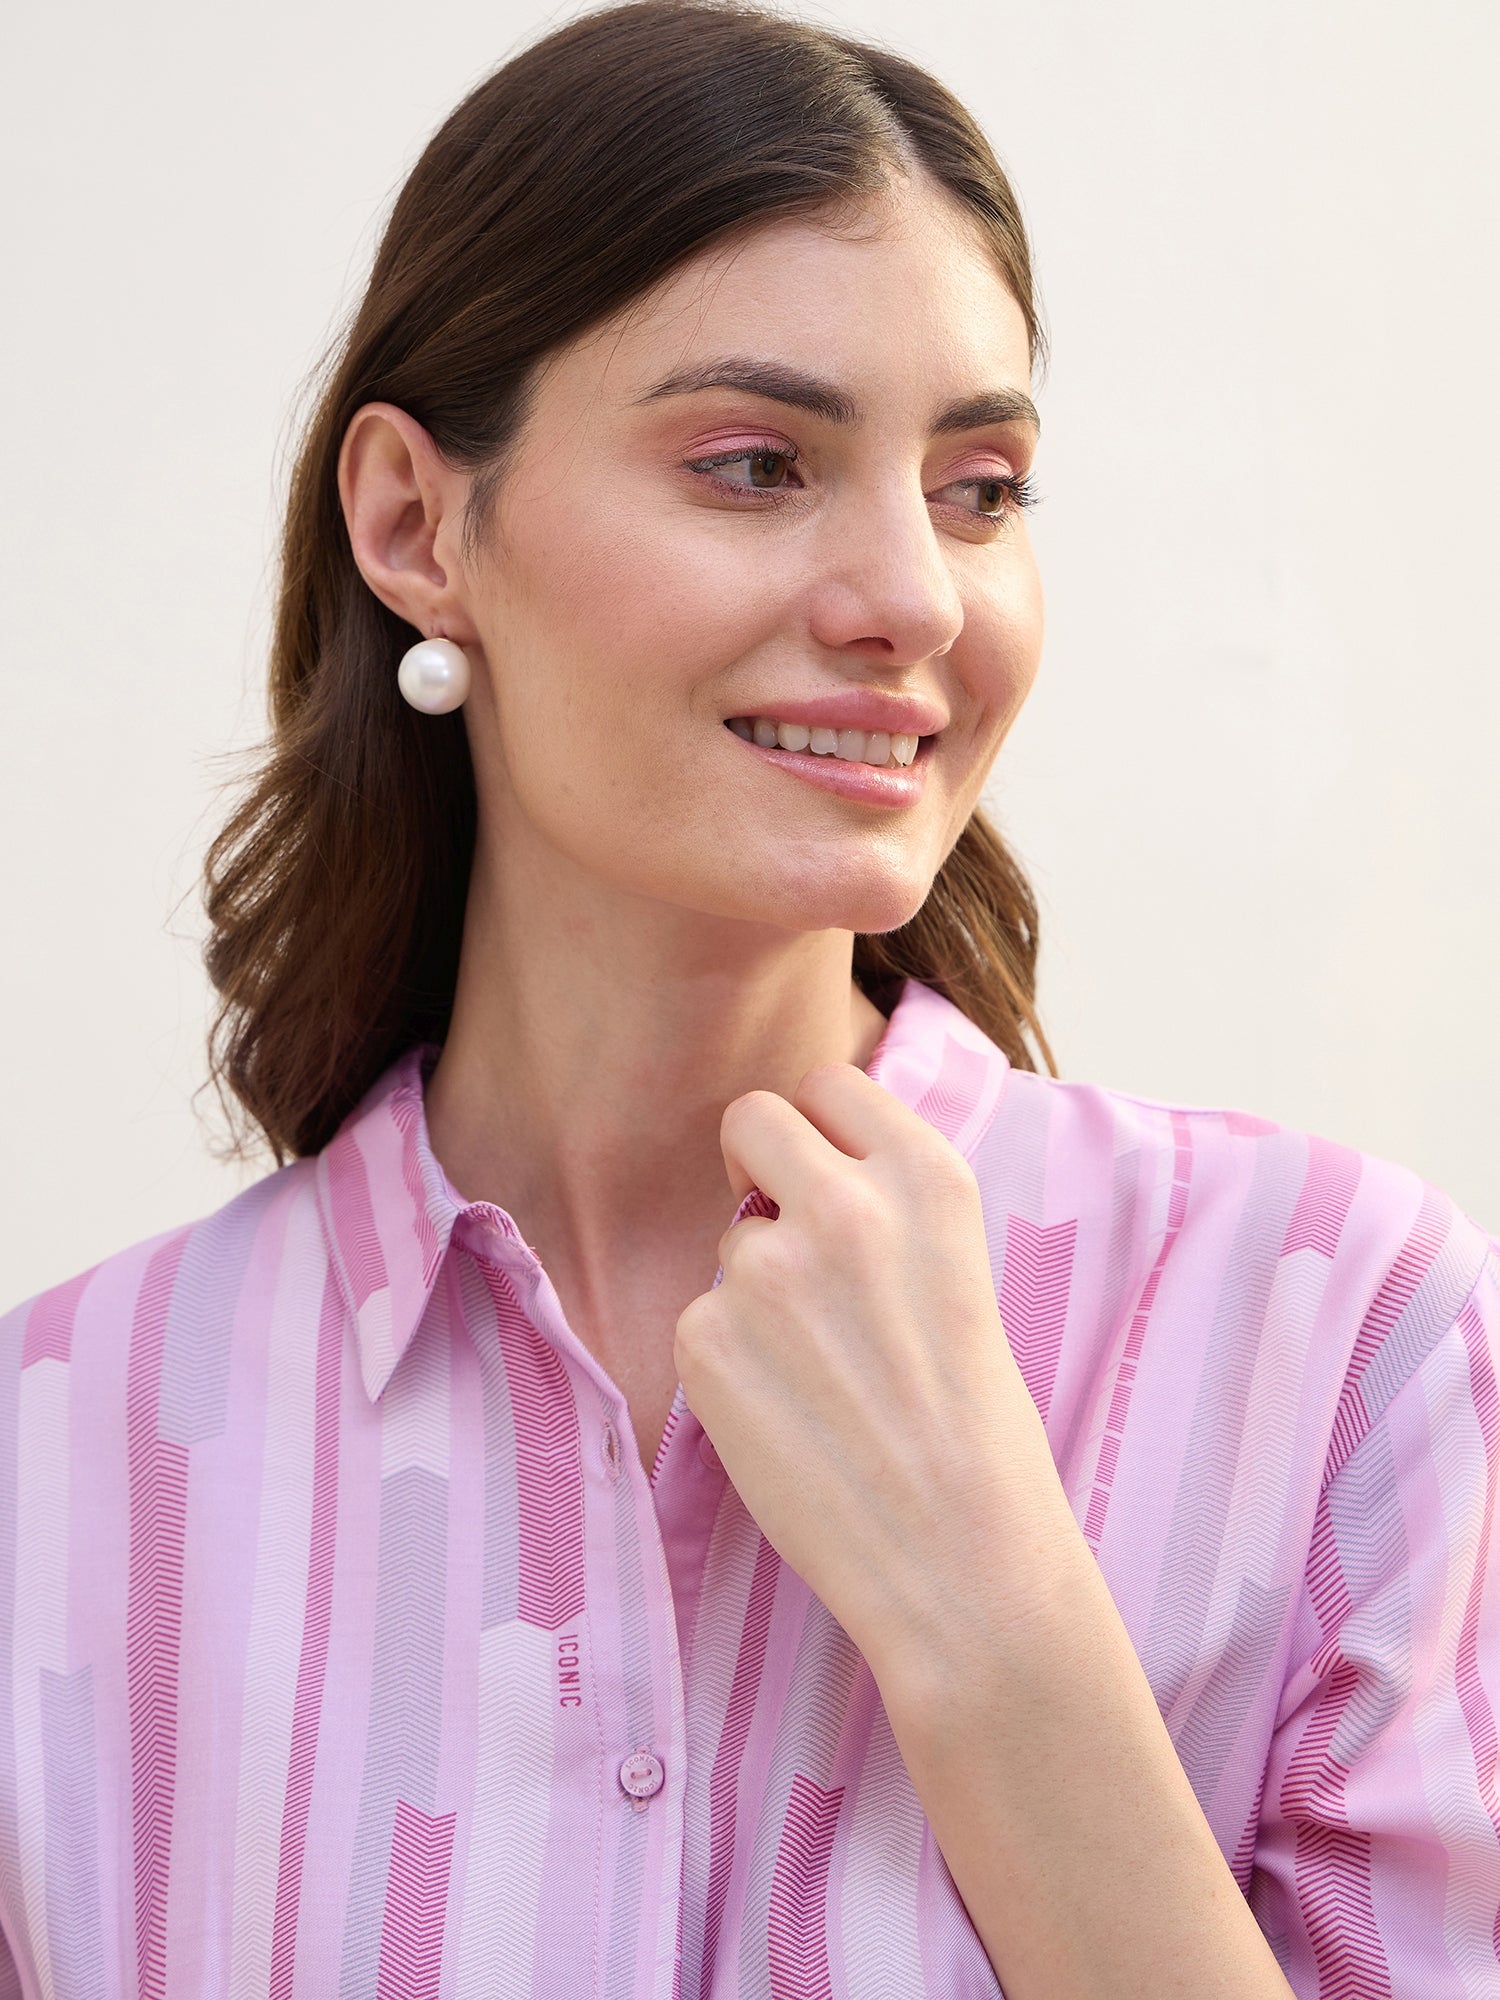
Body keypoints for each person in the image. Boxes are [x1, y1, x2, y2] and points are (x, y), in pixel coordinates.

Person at [2, 1, 1496, 1993]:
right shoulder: (56, 1466)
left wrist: (995, 1616)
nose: (917, 598)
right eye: (756, 464)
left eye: (980, 488)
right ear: (415, 526)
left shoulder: (1343, 1343)